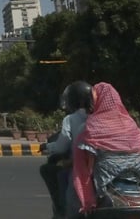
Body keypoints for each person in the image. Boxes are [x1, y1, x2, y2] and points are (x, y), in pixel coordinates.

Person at [72, 82, 140, 216]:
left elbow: (85, 170)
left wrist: (88, 202)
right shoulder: (131, 124)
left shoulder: (92, 126)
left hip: (108, 184)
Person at [40, 81, 91, 219]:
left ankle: (62, 210)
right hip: (101, 163)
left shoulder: (71, 119)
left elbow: (62, 146)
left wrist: (47, 147)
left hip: (81, 164)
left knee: (56, 172)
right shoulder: (98, 116)